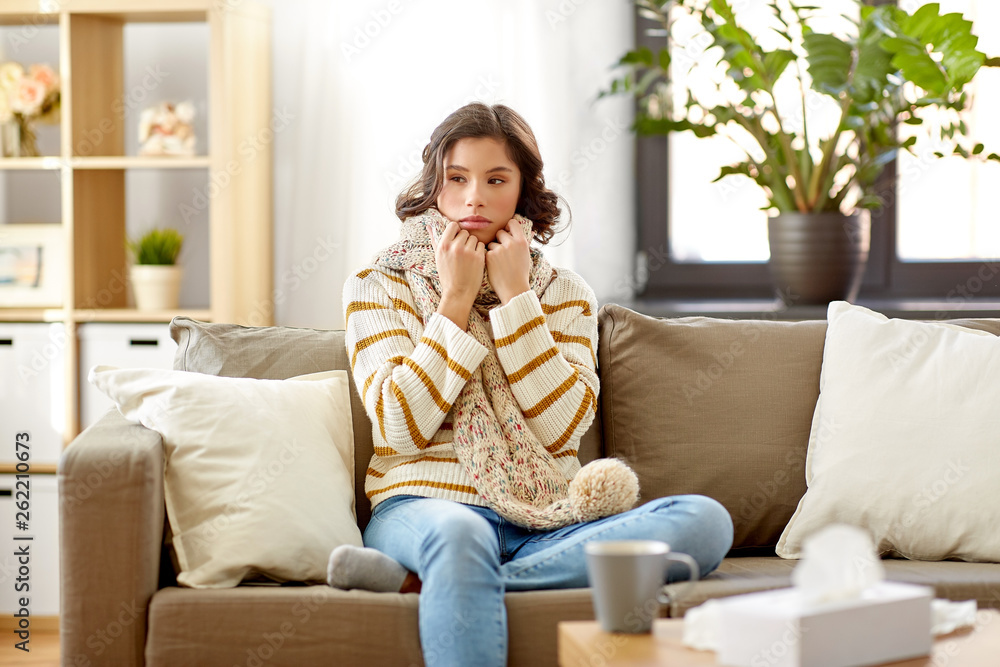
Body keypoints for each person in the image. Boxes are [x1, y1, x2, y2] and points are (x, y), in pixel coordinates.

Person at [330, 102, 733, 666]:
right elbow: (401, 424)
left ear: (523, 192)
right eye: (457, 178)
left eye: (496, 179)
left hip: (543, 517)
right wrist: (456, 300)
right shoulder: (377, 284)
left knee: (704, 522)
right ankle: (452, 566)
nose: (474, 197)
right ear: (434, 186)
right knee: (459, 538)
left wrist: (517, 297)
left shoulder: (564, 292)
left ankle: (432, 583)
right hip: (424, 507)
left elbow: (558, 426)